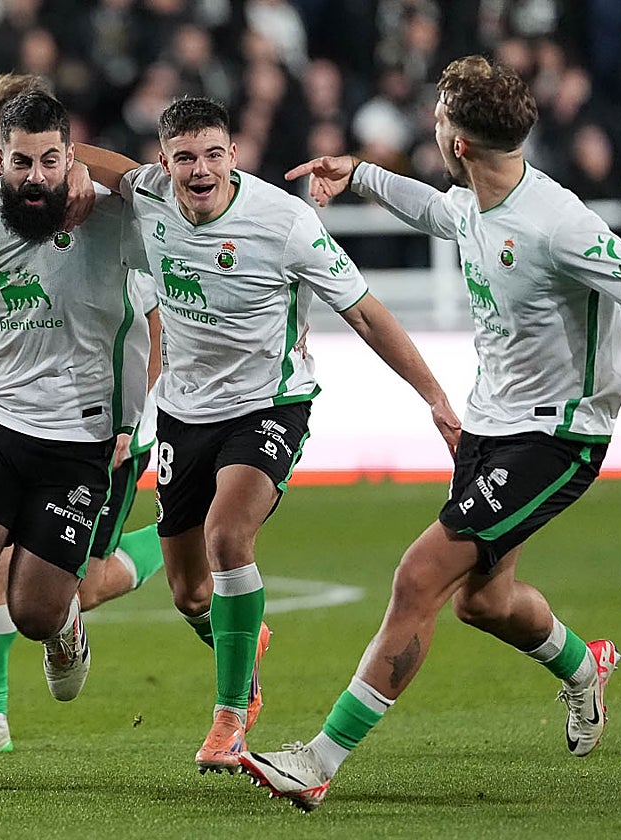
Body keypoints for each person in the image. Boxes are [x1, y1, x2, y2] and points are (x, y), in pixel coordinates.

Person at [239, 55, 621, 812]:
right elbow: (441, 215)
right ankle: (585, 669)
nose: (433, 127)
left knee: (419, 576)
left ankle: (319, 760)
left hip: (558, 438)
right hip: (489, 425)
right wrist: (362, 175)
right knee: (483, 602)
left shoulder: (560, 224)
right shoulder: (475, 198)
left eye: (439, 118)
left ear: (458, 142)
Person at [77, 96, 461, 775]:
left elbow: (367, 315)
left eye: (214, 154)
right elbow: (109, 169)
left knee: (228, 535)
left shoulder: (283, 221)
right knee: (190, 591)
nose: (201, 170)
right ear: (164, 163)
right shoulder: (148, 195)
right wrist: (43, 149)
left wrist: (435, 399)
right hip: (184, 413)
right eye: (186, 157)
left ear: (235, 155)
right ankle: (243, 652)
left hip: (268, 405)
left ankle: (228, 720)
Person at [0, 91, 149, 792]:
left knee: (34, 610)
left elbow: (155, 181)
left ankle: (66, 625)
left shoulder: (113, 214)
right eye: (21, 161)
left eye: (51, 159)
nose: (35, 175)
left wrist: (139, 417)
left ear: (69, 156)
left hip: (79, 435)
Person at [0, 75, 169, 757]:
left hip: (101, 427)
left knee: (65, 586)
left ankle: (164, 542)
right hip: (4, 415)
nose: (5, 156)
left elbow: (153, 319)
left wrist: (129, 418)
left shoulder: (102, 210)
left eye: (32, 150)